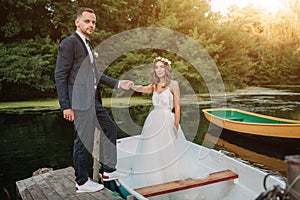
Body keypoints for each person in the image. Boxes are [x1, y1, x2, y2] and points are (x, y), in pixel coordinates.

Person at [55, 7, 131, 193]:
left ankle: (109, 170)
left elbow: (97, 75)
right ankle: (81, 182)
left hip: (93, 101)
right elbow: (60, 75)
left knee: (110, 128)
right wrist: (66, 105)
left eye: (94, 22)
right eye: (87, 21)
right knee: (82, 141)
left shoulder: (88, 45)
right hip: (79, 102)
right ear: (77, 22)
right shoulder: (70, 43)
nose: (91, 25)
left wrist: (119, 84)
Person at [129, 56, 208, 189]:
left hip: (167, 120)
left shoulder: (174, 84)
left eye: (161, 67)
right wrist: (131, 86)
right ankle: (155, 178)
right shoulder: (154, 85)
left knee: (169, 149)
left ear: (166, 69)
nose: (159, 70)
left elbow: (177, 107)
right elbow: (142, 89)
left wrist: (176, 126)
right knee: (153, 149)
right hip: (154, 120)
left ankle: (172, 177)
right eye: (156, 67)